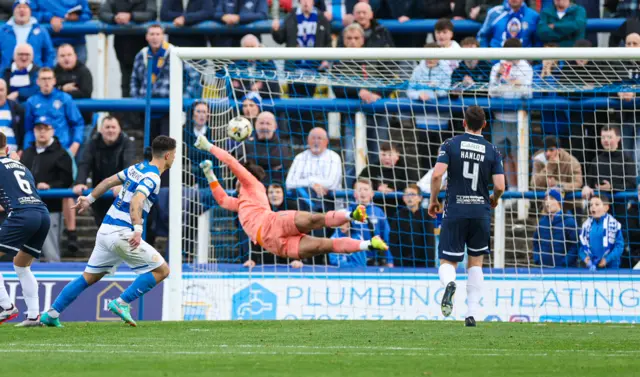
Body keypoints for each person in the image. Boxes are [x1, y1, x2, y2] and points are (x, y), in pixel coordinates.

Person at [40, 136, 176, 328]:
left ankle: (51, 313)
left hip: (105, 231)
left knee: (89, 276)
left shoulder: (137, 168)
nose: (174, 158)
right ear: (169, 155)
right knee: (162, 270)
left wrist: (89, 199)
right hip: (122, 233)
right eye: (175, 155)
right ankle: (121, 303)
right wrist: (138, 228)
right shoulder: (153, 177)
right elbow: (137, 200)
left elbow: (109, 181)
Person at [193, 135, 389, 264]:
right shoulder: (241, 203)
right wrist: (210, 175)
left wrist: (209, 146)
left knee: (313, 220)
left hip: (275, 222)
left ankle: (351, 214)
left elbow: (231, 162)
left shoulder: (252, 185)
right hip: (275, 245)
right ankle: (369, 244)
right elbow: (222, 200)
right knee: (323, 245)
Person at [428, 105, 505, 327]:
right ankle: (471, 313)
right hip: (480, 211)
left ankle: (450, 283)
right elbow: (500, 185)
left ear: (463, 123)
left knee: (447, 261)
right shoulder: (492, 150)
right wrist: (495, 198)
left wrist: (434, 200)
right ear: (484, 125)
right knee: (476, 263)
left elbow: (437, 175)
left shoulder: (450, 144)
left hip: (455, 209)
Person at [0, 131, 50, 326]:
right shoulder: (20, 166)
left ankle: (5, 306)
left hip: (22, 215)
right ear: (7, 149)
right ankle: (33, 316)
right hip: (42, 214)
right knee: (21, 265)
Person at [130, 24, 200, 141]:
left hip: (169, 109)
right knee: (150, 147)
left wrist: (182, 99)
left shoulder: (175, 52)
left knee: (165, 145)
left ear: (163, 36)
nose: (154, 37)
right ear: (146, 37)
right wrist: (137, 99)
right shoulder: (141, 54)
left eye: (158, 34)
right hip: (147, 108)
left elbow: (194, 77)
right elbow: (134, 79)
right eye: (151, 34)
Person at [20, 117, 73, 262]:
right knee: (27, 254)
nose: (42, 132)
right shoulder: (27, 152)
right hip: (28, 209)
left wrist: (50, 186)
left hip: (51, 209)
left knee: (51, 252)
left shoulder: (61, 153)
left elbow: (67, 180)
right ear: (34, 131)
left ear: (52, 131)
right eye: (38, 129)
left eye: (45, 128)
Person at [488, 38, 533, 193]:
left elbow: (527, 93)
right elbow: (491, 92)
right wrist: (498, 78)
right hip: (499, 118)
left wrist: (514, 83)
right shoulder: (496, 67)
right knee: (502, 156)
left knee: (518, 156)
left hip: (519, 119)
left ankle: (522, 191)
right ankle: (511, 189)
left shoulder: (526, 67)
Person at [73, 116, 135, 227]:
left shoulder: (127, 143)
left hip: (120, 193)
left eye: (113, 127)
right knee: (102, 228)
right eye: (107, 127)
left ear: (119, 129)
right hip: (100, 193)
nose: (110, 130)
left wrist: (123, 184)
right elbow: (85, 164)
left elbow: (128, 166)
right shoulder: (93, 143)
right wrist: (80, 182)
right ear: (101, 130)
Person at [407, 43, 453, 170]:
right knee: (425, 159)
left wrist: (431, 94)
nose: (430, 58)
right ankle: (425, 188)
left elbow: (445, 89)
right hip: (422, 122)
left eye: (433, 55)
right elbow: (410, 91)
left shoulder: (446, 70)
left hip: (441, 123)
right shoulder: (417, 70)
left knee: (442, 159)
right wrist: (418, 95)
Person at [98, 0, 157, 99]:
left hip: (145, 49)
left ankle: (142, 114)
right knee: (126, 83)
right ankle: (128, 113)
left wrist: (131, 16)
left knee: (147, 83)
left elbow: (152, 14)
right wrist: (114, 18)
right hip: (123, 48)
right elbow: (102, 13)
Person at [243, 183, 302, 268]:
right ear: (267, 195)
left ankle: (295, 260)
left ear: (283, 194)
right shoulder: (261, 208)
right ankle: (252, 260)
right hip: (267, 249)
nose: (274, 195)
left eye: (278, 192)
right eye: (271, 192)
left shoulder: (292, 206)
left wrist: (296, 258)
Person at [286, 127, 343, 212]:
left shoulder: (334, 157)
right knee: (302, 191)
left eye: (319, 138)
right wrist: (311, 183)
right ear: (308, 141)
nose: (316, 141)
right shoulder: (300, 157)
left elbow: (332, 184)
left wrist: (309, 182)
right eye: (313, 138)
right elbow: (289, 183)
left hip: (330, 202)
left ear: (326, 141)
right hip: (303, 204)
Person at [347, 178, 393, 267]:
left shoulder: (378, 212)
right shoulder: (349, 212)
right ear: (354, 194)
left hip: (376, 260)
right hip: (355, 260)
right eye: (359, 190)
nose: (363, 192)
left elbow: (386, 237)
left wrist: (389, 260)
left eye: (366, 189)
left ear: (372, 194)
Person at [0, 0, 54, 72]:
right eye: (19, 7)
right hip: (7, 75)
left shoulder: (41, 31)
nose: (22, 10)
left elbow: (49, 54)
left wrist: (44, 72)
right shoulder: (3, 31)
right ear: (13, 11)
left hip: (35, 75)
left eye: (25, 8)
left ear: (30, 11)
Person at [390, 184, 436, 268]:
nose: (409, 197)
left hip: (422, 263)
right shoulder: (398, 216)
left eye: (412, 194)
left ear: (420, 198)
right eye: (407, 195)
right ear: (403, 198)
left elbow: (430, 242)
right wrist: (397, 263)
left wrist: (430, 264)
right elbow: (393, 241)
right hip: (403, 263)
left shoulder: (426, 216)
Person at [532, 188, 579, 267]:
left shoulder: (569, 221)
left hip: (564, 270)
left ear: (559, 202)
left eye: (552, 199)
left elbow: (575, 245)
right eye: (546, 199)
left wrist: (565, 262)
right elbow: (536, 242)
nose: (548, 202)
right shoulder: (542, 222)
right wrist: (538, 259)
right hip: (545, 268)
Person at [243, 111, 293, 185]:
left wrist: (252, 163)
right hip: (250, 184)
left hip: (274, 187)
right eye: (261, 123)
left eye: (268, 123)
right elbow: (241, 163)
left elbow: (277, 162)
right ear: (255, 125)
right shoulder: (246, 143)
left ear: (275, 126)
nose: (264, 127)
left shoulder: (284, 146)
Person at [578, 196, 624, 271]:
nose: (593, 207)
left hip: (611, 268)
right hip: (592, 268)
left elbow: (619, 247)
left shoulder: (614, 224)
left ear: (606, 208)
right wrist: (584, 258)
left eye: (597, 204)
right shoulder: (586, 225)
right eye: (591, 205)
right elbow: (582, 247)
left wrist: (607, 259)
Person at [229, 35, 280, 100]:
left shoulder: (267, 62)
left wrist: (244, 89)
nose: (250, 50)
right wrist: (252, 88)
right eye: (247, 47)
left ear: (258, 47)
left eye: (252, 46)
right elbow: (233, 90)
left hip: (267, 102)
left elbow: (272, 87)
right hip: (243, 103)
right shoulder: (236, 64)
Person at [54, 44, 93, 127]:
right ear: (57, 58)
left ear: (75, 56)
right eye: (62, 56)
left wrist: (60, 92)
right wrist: (63, 89)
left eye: (69, 55)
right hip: (59, 121)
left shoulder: (84, 71)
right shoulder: (53, 72)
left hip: (82, 119)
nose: (66, 58)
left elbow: (86, 93)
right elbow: (48, 92)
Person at [0, 78, 24, 154]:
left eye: (1, 90)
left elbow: (23, 130)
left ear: (6, 91)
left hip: (12, 155)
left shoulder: (16, 108)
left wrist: (21, 149)